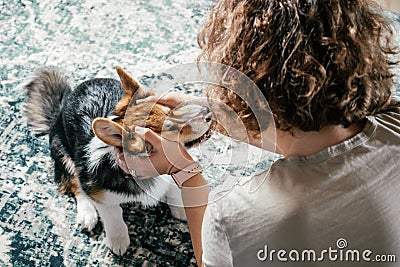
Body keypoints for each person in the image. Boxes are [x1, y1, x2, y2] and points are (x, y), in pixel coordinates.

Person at [116, 0, 400, 266]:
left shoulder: (234, 217)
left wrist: (185, 173)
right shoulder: (394, 119)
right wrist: (215, 115)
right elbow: (303, 128)